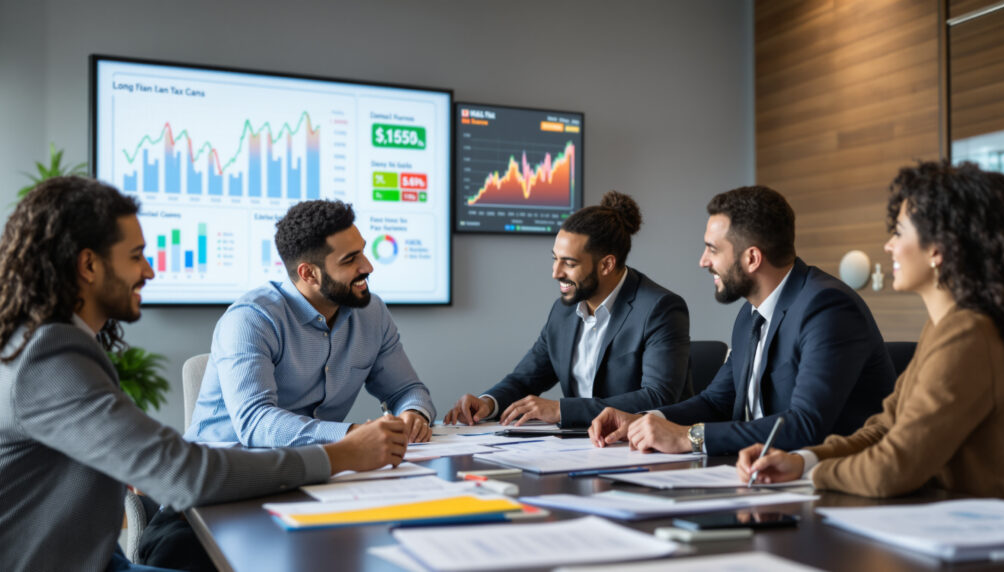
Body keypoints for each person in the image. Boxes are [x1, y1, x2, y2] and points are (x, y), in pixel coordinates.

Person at [0, 177, 408, 572]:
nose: (149, 271)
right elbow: (185, 472)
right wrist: (342, 454)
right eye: (135, 255)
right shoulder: (48, 355)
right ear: (88, 265)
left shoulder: (45, 341)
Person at [738, 162, 1004, 501]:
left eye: (899, 233)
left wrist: (813, 474)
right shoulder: (943, 326)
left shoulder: (969, 333)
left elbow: (894, 467)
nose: (889, 246)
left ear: (937, 248)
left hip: (985, 537)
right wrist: (803, 460)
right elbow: (885, 427)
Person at [589, 186, 895, 454]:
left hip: (828, 484)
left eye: (712, 249)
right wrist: (647, 419)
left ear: (751, 258)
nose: (703, 261)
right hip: (757, 474)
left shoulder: (827, 308)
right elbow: (716, 402)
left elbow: (805, 425)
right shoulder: (751, 313)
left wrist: (691, 437)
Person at [185, 200, 436, 446]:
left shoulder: (372, 313)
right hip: (225, 469)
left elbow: (406, 390)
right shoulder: (250, 319)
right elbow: (256, 422)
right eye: (350, 260)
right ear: (308, 274)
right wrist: (354, 435)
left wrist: (414, 414)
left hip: (315, 466)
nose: (367, 266)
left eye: (362, 251)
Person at [444, 191, 693, 429]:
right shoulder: (563, 311)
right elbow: (525, 379)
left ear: (606, 264)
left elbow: (658, 397)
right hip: (581, 447)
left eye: (569, 263)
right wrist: (488, 402)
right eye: (555, 258)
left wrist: (563, 410)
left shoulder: (659, 309)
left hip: (644, 449)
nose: (556, 273)